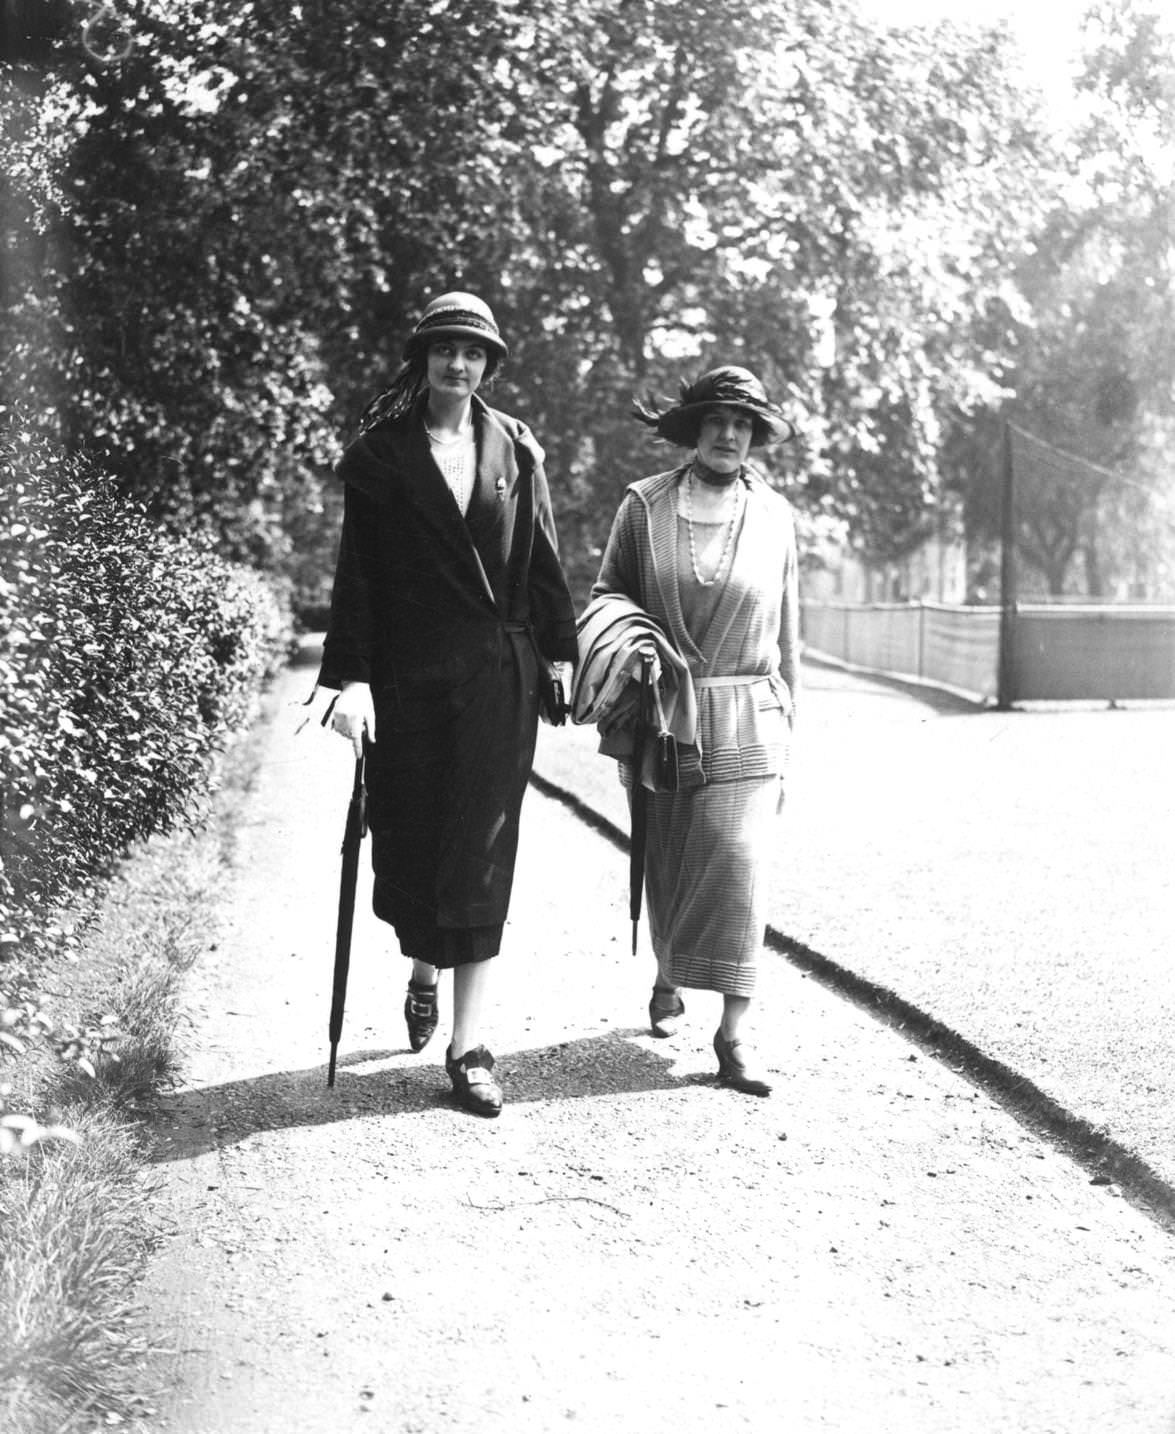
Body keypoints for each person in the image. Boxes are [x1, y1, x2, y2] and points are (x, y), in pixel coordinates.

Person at [318, 292, 577, 1116]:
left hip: (497, 679)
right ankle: (423, 970)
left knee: (481, 851)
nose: (457, 364)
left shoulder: (516, 452)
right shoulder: (382, 456)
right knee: (416, 843)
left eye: (472, 352)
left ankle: (470, 1048)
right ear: (422, 359)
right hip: (408, 679)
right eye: (444, 349)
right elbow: (356, 577)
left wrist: (560, 651)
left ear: (489, 365)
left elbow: (540, 558)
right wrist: (349, 681)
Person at [588, 365, 799, 1097]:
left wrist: (791, 723)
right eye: (715, 419)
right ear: (692, 428)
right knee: (670, 861)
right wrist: (634, 652)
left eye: (743, 423)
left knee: (739, 865)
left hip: (748, 714)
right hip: (661, 716)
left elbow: (789, 634)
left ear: (755, 436)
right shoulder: (642, 508)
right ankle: (669, 971)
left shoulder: (775, 518)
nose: (729, 433)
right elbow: (606, 596)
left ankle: (733, 1035)